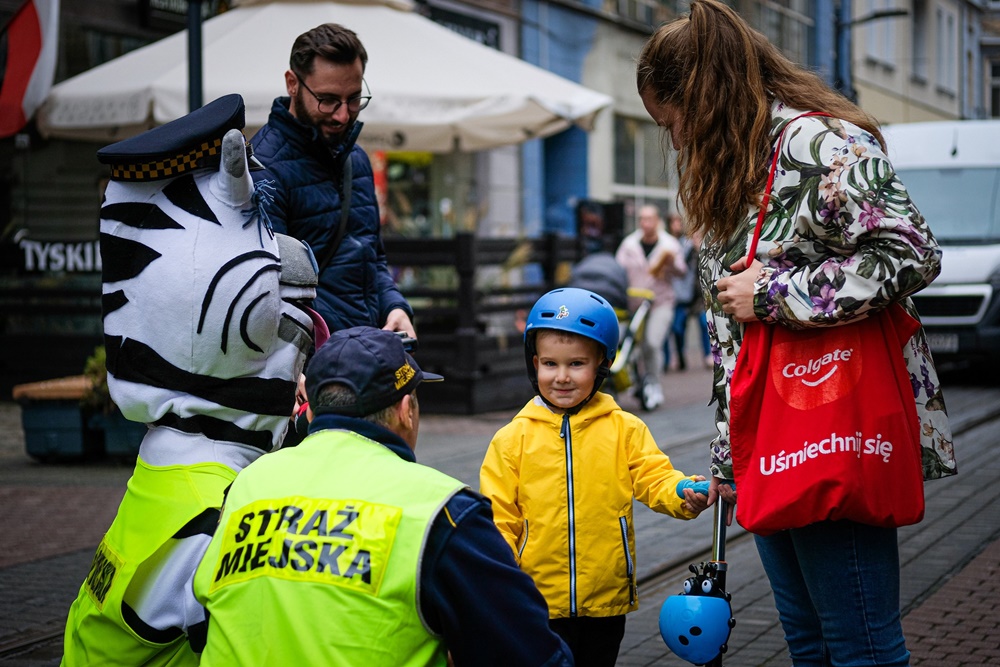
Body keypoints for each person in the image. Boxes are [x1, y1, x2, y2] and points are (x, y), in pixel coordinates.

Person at [635, 1, 958, 664]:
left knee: (858, 642)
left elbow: (911, 250)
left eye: (673, 122)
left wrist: (777, 292)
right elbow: (734, 337)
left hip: (829, 427)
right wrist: (732, 456)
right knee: (807, 638)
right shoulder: (737, 163)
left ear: (705, 93)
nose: (675, 141)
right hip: (772, 442)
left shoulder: (818, 144)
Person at [194, 326, 574, 666]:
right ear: (407, 411)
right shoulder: (441, 510)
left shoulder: (248, 484)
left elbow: (204, 618)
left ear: (311, 411)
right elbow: (537, 655)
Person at [479, 287, 710, 667]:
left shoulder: (624, 429)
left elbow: (655, 476)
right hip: (536, 600)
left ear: (602, 365)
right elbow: (498, 518)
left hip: (605, 599)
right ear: (533, 363)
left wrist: (683, 491)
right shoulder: (510, 440)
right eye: (550, 364)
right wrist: (500, 584)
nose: (562, 377)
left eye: (576, 364)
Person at [251, 23, 415, 338]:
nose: (342, 115)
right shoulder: (263, 169)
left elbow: (372, 258)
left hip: (366, 357)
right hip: (311, 372)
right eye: (327, 100)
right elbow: (265, 294)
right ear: (292, 84)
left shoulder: (356, 159)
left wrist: (395, 308)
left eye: (353, 99)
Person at [615, 204, 686, 409]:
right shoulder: (629, 244)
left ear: (657, 221)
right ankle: (639, 384)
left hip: (660, 302)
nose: (645, 223)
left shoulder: (669, 244)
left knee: (652, 343)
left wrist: (670, 263)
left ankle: (654, 383)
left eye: (649, 219)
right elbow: (618, 270)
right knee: (632, 347)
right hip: (635, 304)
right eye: (642, 219)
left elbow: (682, 271)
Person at [662, 212, 711, 371]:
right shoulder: (668, 244)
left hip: (697, 295)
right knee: (677, 328)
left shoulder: (690, 244)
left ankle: (708, 356)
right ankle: (678, 356)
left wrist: (698, 248)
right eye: (674, 222)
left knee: (704, 324)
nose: (677, 225)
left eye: (679, 222)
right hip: (679, 294)